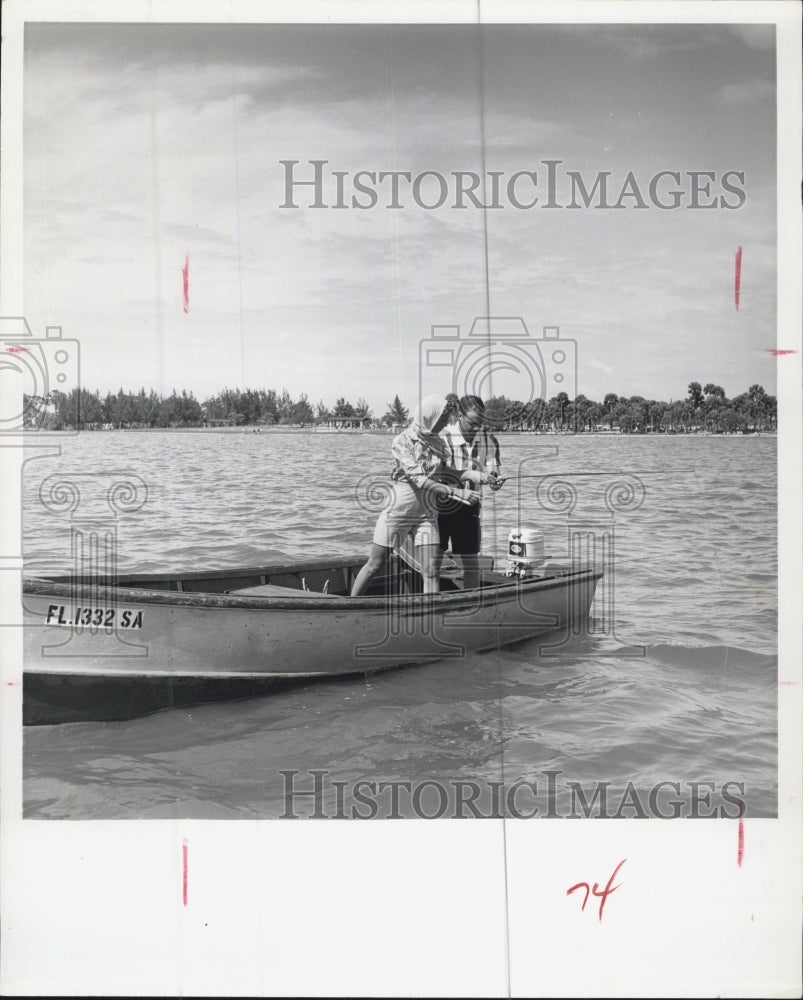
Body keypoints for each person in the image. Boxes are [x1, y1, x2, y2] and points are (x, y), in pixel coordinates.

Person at [350, 394, 479, 597]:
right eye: (443, 419)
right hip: (400, 508)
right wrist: (457, 492)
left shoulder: (438, 442)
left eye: (445, 420)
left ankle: (431, 614)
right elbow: (419, 479)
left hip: (427, 512)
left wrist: (474, 475)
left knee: (430, 572)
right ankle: (351, 604)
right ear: (431, 416)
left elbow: (443, 474)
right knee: (375, 564)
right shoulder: (402, 441)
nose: (445, 423)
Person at [436, 394, 504, 590]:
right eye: (472, 423)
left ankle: (472, 603)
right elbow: (435, 472)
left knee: (471, 563)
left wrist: (494, 479)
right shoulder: (442, 437)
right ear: (459, 415)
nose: (476, 428)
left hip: (469, 507)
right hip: (441, 504)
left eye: (480, 422)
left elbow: (493, 468)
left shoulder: (489, 439)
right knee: (434, 560)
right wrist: (468, 475)